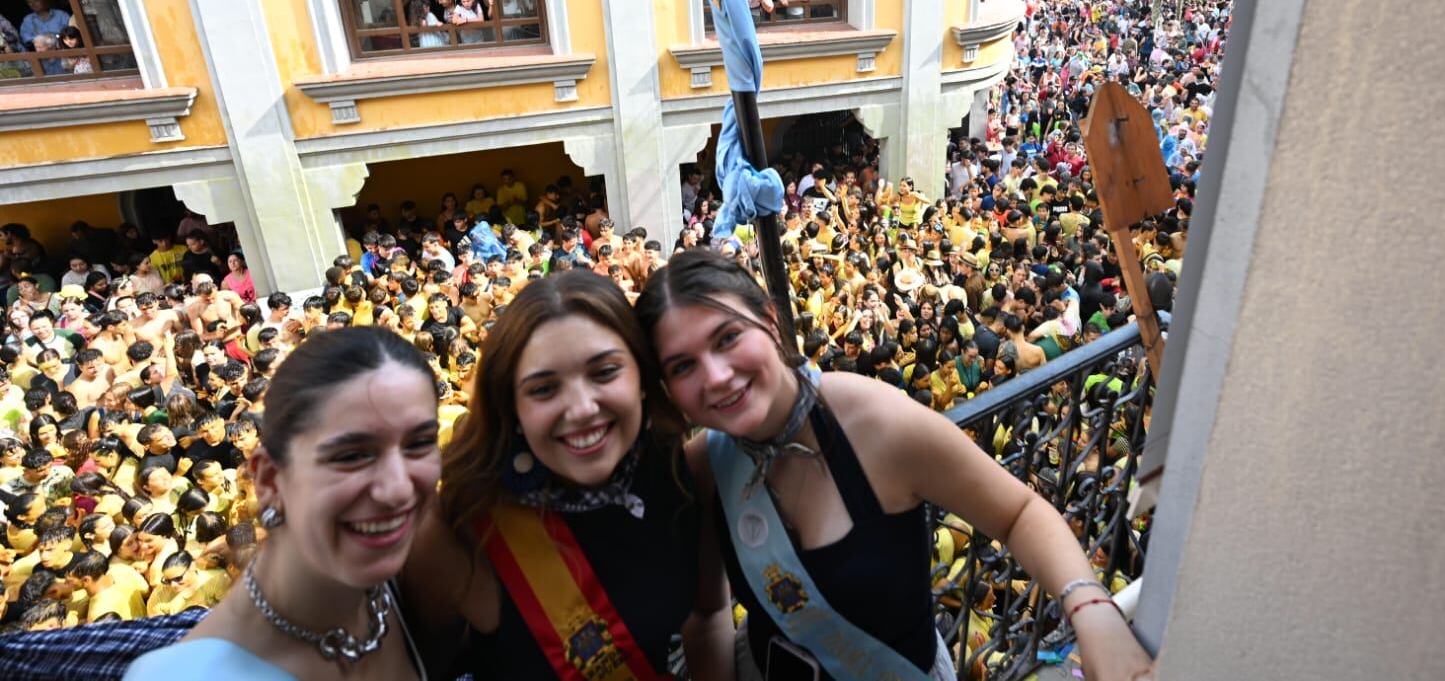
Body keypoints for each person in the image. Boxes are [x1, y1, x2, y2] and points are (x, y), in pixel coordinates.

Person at [636, 249, 1154, 681]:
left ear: (770, 321)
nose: (717, 375)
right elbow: (708, 614)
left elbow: (1018, 512)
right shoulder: (703, 464)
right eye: (683, 366)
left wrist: (1093, 612)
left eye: (728, 338)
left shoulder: (879, 423)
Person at [403, 269, 724, 680]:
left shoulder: (670, 465)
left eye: (605, 371)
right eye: (543, 389)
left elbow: (708, 614)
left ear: (642, 377)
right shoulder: (462, 524)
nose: (582, 408)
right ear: (511, 406)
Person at [124, 327, 439, 679]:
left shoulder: (433, 586)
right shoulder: (186, 673)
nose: (396, 487)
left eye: (419, 444)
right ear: (269, 479)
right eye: (351, 455)